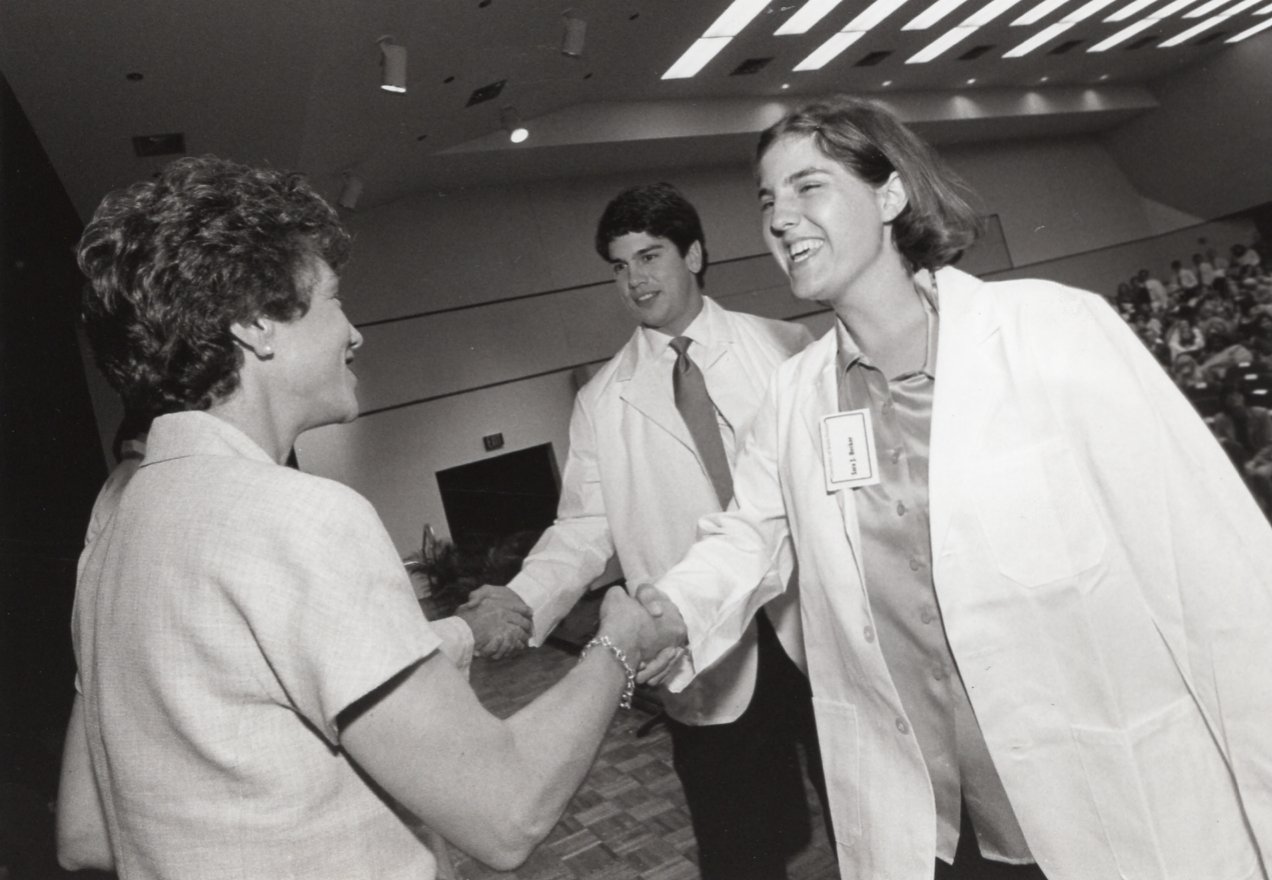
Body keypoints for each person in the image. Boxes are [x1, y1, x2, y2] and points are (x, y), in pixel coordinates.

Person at [637, 96, 1272, 880]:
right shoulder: (798, 398)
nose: (780, 218)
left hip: (1101, 805)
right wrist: (660, 614)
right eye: (768, 200)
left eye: (809, 187)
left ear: (891, 195)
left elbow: (1217, 577)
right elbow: (745, 539)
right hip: (934, 831)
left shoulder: (1053, 332)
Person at [55, 156, 667, 880]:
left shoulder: (116, 527)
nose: (353, 332)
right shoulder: (298, 517)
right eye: (332, 300)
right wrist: (620, 642)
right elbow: (507, 813)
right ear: (257, 324)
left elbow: (87, 835)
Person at [468, 182, 825, 878]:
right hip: (703, 650)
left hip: (816, 621)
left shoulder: (785, 346)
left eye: (650, 256)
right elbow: (582, 527)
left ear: (694, 254)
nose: (634, 278)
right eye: (619, 264)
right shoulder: (603, 399)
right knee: (743, 855)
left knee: (875, 817)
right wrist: (523, 597)